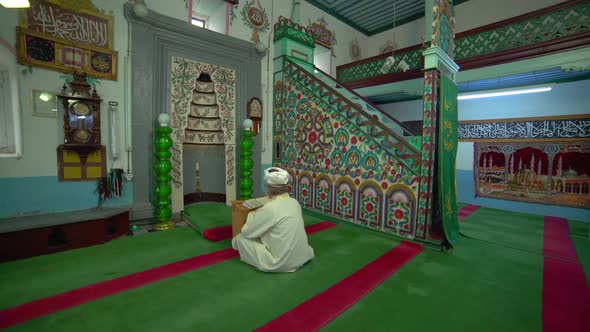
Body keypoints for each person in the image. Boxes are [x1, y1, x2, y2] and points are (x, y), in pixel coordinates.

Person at [231, 167, 314, 272]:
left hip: (280, 263)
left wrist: (253, 214)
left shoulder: (270, 208)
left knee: (240, 239)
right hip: (302, 256)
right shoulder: (294, 202)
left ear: (268, 187)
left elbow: (247, 232)